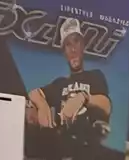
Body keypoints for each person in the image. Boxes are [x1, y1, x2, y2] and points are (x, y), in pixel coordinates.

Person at [26, 18, 111, 146]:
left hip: (88, 147)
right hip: (61, 147)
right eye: (68, 45)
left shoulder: (94, 76)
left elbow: (106, 105)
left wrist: (83, 97)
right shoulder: (60, 84)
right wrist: (42, 105)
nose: (73, 49)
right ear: (64, 52)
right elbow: (33, 93)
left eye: (76, 41)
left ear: (83, 46)